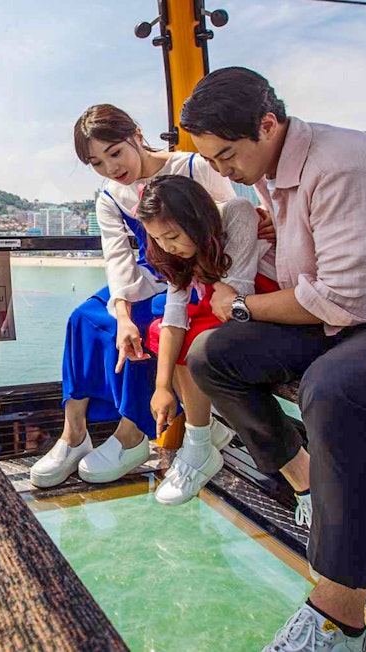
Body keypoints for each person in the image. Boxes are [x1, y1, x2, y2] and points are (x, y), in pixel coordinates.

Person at [179, 67, 366, 651]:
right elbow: (324, 288)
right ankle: (311, 485)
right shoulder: (275, 171)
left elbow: (342, 299)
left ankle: (338, 621)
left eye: (226, 156)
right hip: (362, 323)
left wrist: (242, 304)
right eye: (212, 160)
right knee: (210, 354)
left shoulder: (343, 163)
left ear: (268, 124)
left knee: (335, 387)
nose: (222, 171)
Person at [29, 103, 239, 488]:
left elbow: (232, 225)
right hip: (147, 276)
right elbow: (118, 259)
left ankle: (133, 433)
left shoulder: (193, 167)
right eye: (97, 162)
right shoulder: (110, 197)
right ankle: (73, 433)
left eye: (115, 153)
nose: (111, 168)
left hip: (194, 276)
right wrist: (122, 314)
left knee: (148, 323)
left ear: (137, 136)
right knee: (84, 318)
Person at [134, 175, 281, 507]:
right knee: (159, 330)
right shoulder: (180, 253)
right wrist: (161, 387)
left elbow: (237, 288)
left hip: (257, 299)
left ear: (195, 220)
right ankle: (204, 431)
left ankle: (199, 443)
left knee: (195, 334)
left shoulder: (236, 212)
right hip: (219, 301)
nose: (167, 247)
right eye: (158, 239)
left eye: (172, 236)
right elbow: (174, 316)